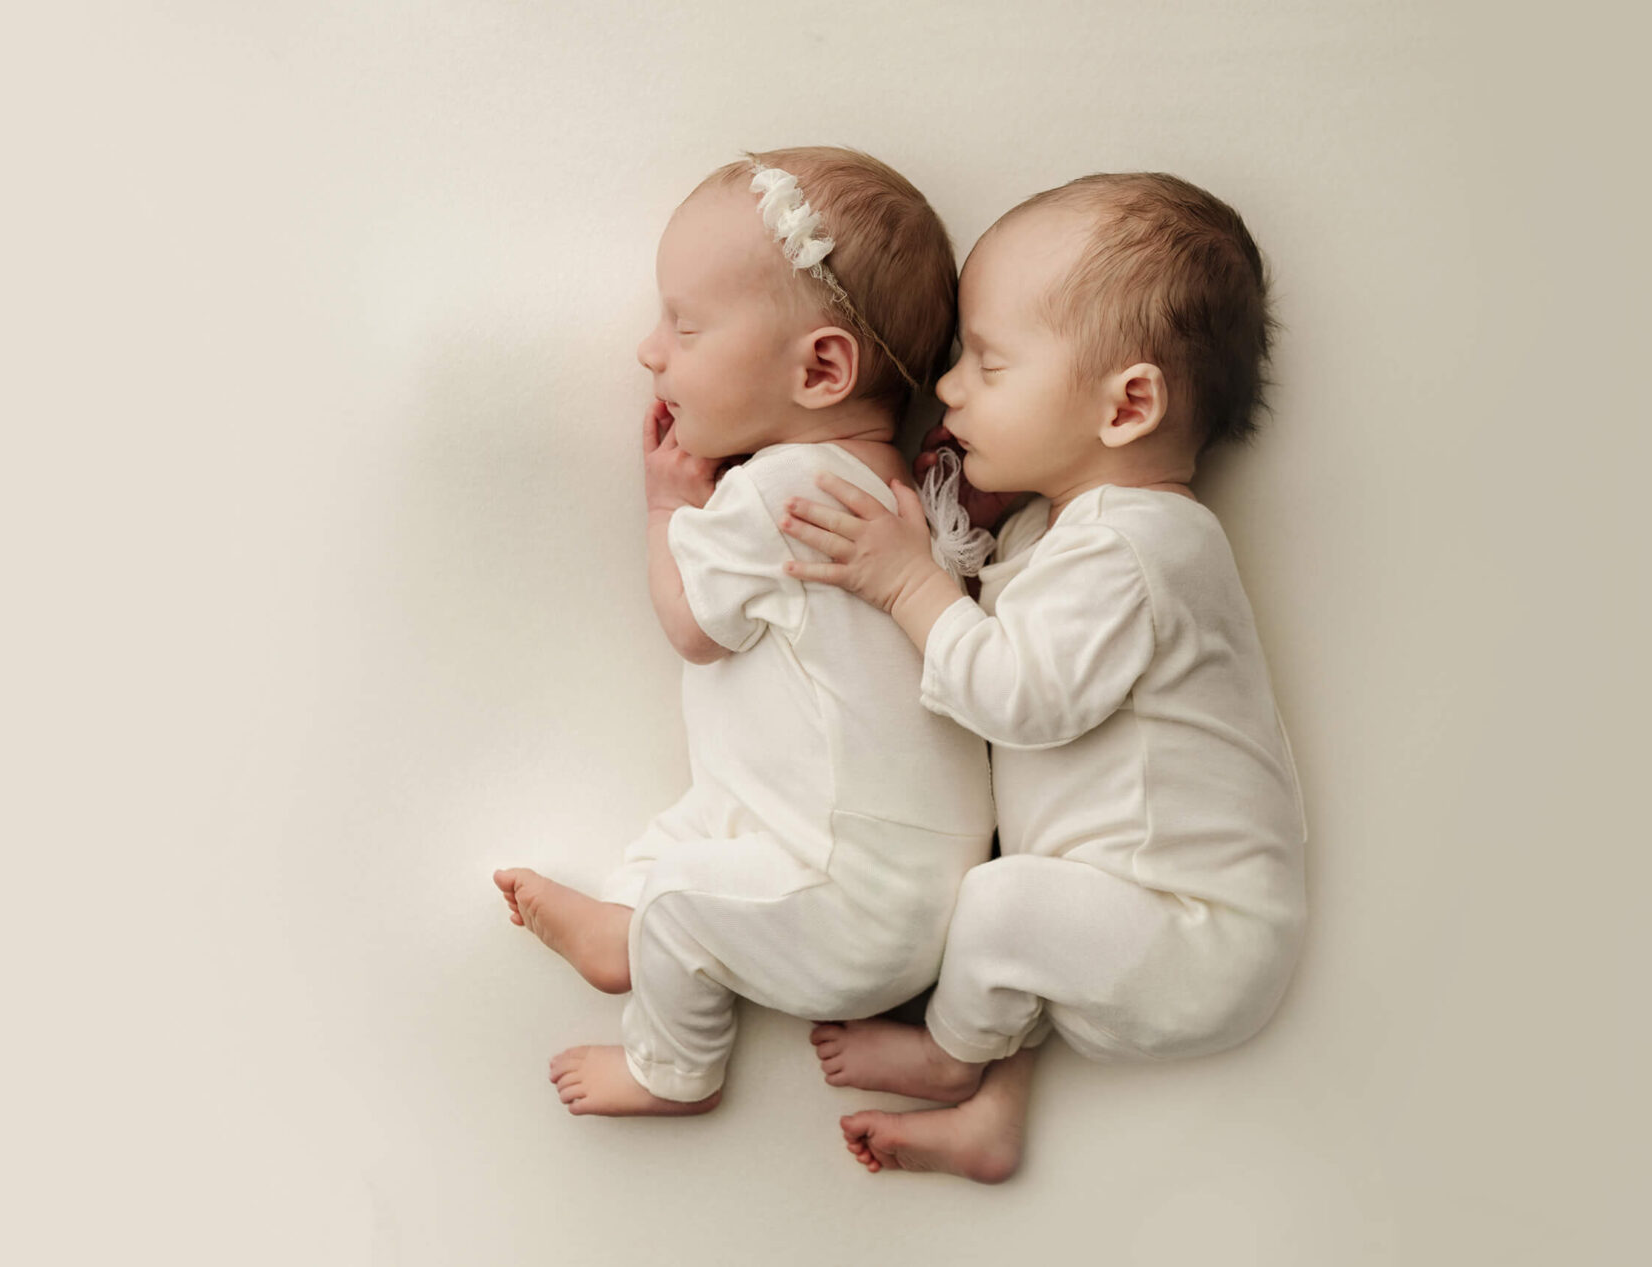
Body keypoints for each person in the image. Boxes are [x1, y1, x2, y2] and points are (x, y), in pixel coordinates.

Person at [779, 172, 1307, 1179]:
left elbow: (1020, 699)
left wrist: (907, 585)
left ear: (1128, 405)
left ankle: (950, 1053)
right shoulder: (1061, 528)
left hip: (1196, 934)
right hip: (1127, 911)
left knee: (1002, 906)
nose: (948, 388)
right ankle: (994, 1116)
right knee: (1026, 906)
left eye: (988, 362)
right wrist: (961, 545)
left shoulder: (1137, 549)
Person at [494, 147, 993, 1116]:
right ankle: (624, 929)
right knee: (692, 831)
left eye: (683, 327)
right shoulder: (901, 500)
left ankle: (672, 1066)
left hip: (848, 896)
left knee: (683, 891)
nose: (650, 353)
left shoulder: (778, 489)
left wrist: (662, 513)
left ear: (819, 369)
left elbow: (693, 628)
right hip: (897, 878)